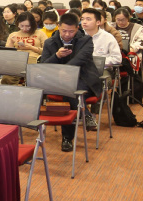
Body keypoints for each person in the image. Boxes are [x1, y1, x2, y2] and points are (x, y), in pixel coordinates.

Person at [39, 12, 101, 152]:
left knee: (70, 91)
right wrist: (57, 56)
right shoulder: (50, 42)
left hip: (84, 80)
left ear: (77, 29)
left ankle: (67, 138)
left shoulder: (85, 40)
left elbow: (81, 59)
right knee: (69, 89)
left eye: (71, 31)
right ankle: (86, 115)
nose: (67, 34)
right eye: (64, 31)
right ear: (58, 27)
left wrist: (65, 70)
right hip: (58, 82)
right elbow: (43, 66)